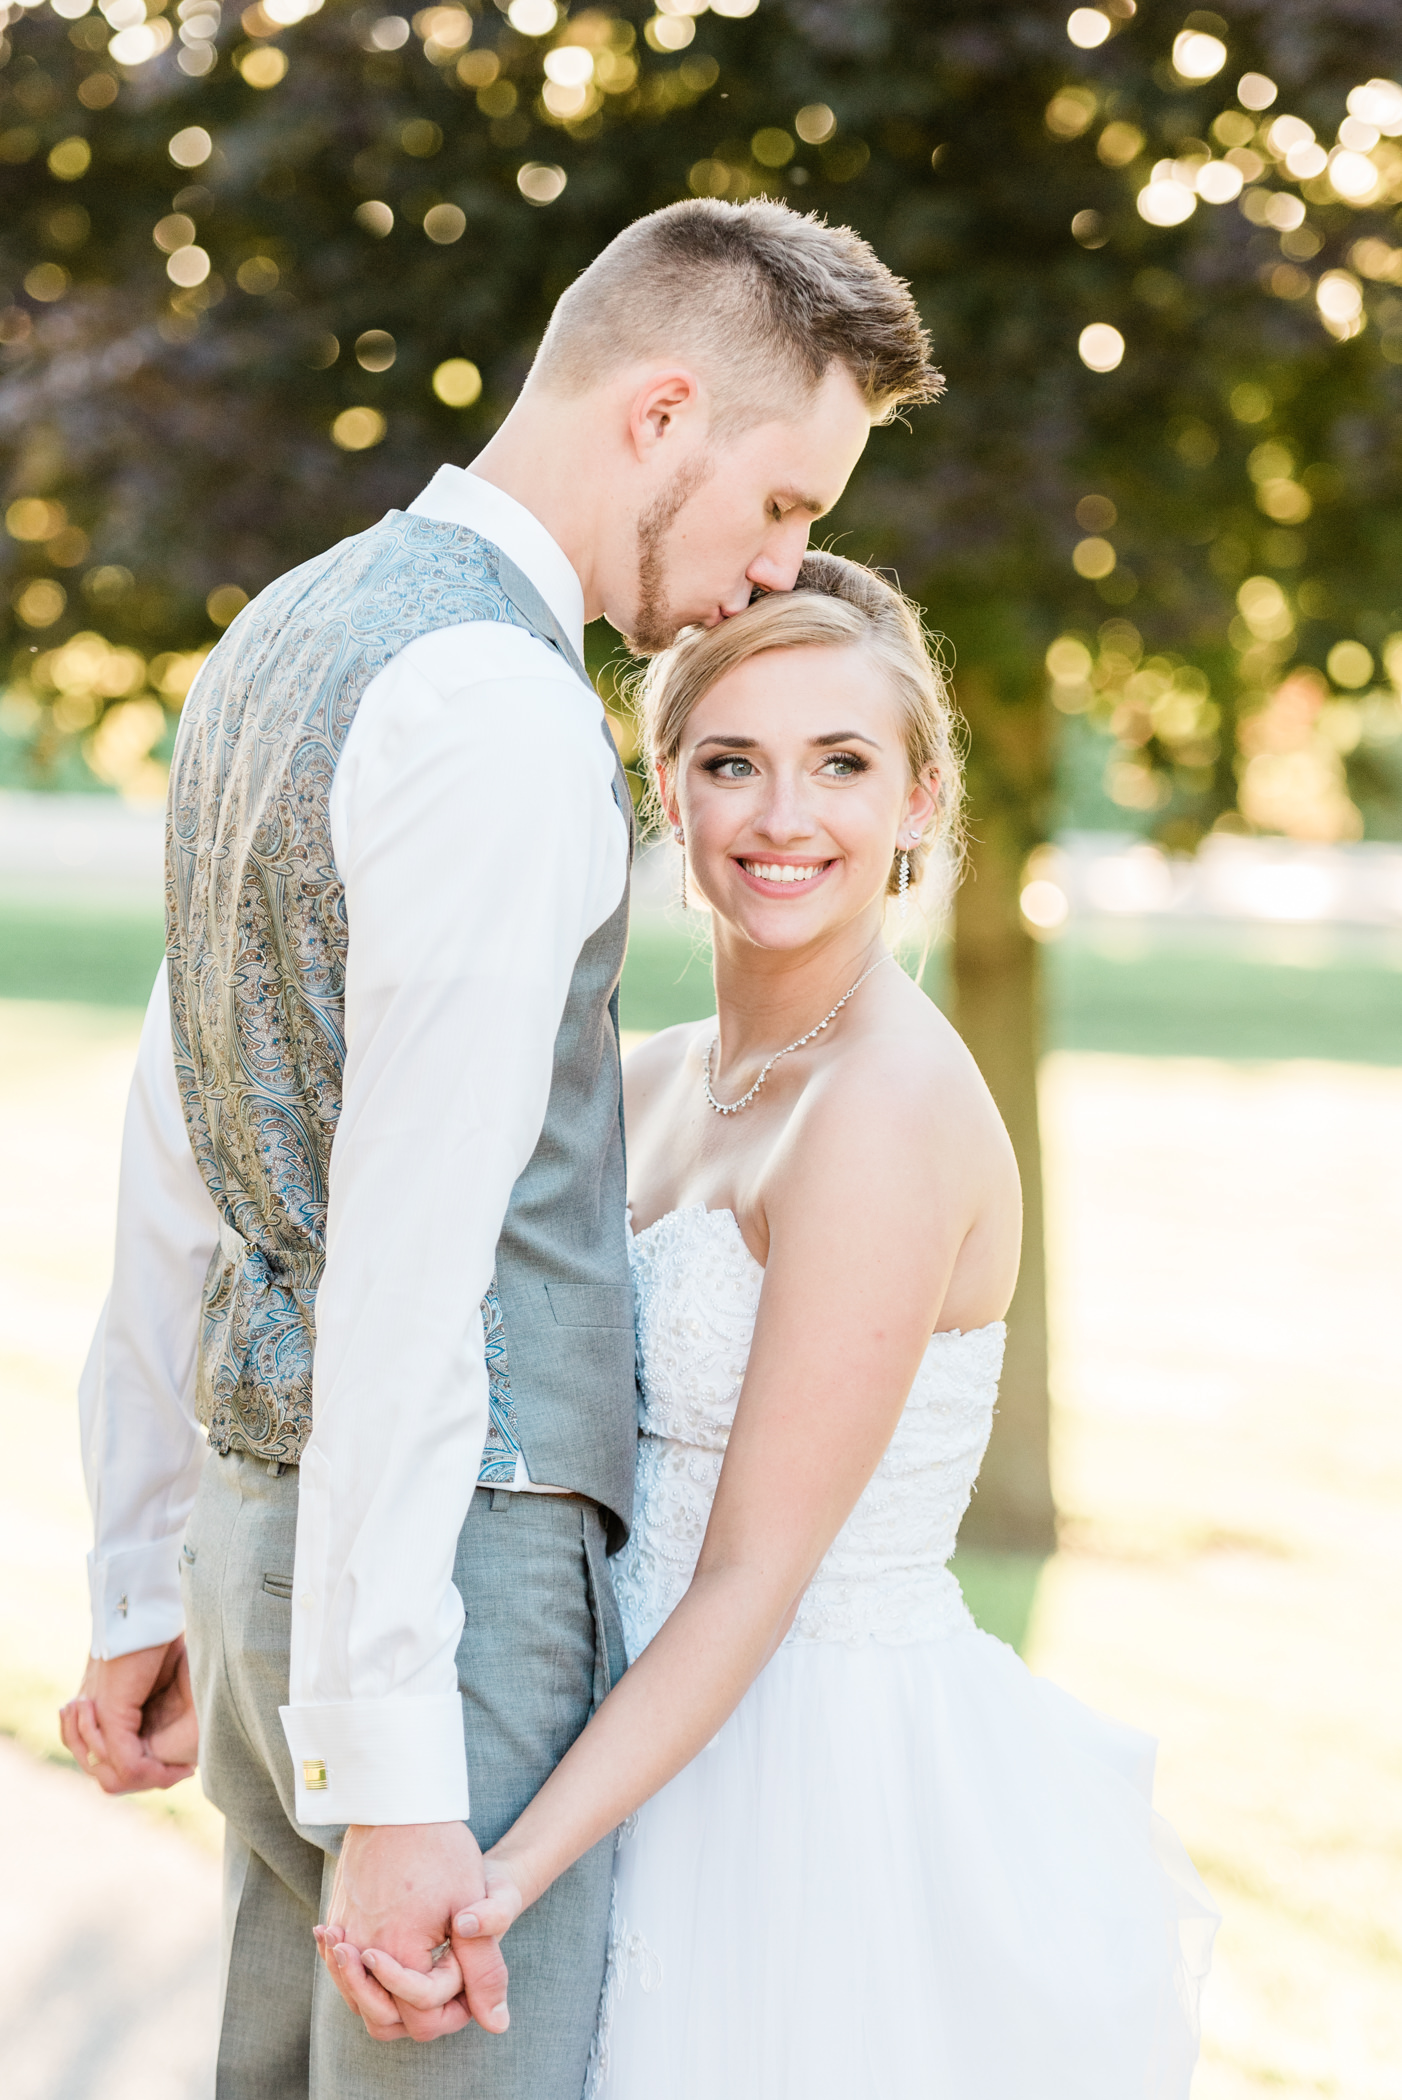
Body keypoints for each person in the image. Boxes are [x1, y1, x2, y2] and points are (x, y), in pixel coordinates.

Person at [59, 203, 942, 2098]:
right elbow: (415, 1262)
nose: (779, 568)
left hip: (266, 1543)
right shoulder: (504, 712)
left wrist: (147, 1563)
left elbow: (178, 1138)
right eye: (781, 503)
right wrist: (396, 1769)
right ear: (662, 412)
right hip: (437, 1607)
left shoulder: (294, 631)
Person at [337, 553, 1219, 2095]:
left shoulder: (886, 1111)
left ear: (920, 800)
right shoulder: (655, 1076)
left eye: (841, 764)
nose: (780, 817)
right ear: (666, 793)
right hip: (621, 1718)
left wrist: (504, 1872)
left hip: (807, 1780)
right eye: (729, 763)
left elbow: (753, 1572)